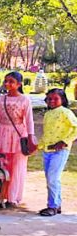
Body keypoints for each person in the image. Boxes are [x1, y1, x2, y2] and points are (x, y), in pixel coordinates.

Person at [0, 72, 37, 209]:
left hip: (18, 135)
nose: (7, 84)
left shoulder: (24, 99)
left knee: (16, 166)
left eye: (11, 81)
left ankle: (13, 198)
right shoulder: (2, 98)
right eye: (6, 81)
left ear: (19, 84)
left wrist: (31, 136)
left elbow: (29, 120)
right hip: (2, 133)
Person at [39, 88, 77, 216]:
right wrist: (37, 147)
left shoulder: (65, 112)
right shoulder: (48, 114)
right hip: (47, 150)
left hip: (60, 151)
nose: (52, 101)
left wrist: (64, 141)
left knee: (53, 178)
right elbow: (46, 134)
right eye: (49, 99)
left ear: (63, 100)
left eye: (56, 99)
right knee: (51, 178)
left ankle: (53, 206)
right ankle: (57, 204)